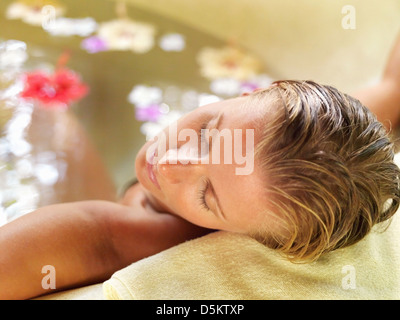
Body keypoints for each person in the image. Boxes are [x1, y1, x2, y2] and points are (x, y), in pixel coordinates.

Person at [1, 32, 400, 300]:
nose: (172, 162)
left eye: (206, 196)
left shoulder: (137, 232)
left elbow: (84, 238)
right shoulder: (310, 146)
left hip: (117, 202)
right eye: (209, 134)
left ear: (242, 235)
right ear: (264, 89)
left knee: (38, 109)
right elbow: (394, 83)